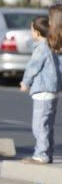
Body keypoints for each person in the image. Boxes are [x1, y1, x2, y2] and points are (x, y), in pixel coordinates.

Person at [20, 10, 62, 164]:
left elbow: (33, 66)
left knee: (39, 125)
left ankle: (41, 154)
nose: (31, 33)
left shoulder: (41, 48)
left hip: (42, 91)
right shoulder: (52, 46)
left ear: (37, 33)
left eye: (31, 30)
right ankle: (48, 153)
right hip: (52, 91)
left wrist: (26, 82)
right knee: (47, 125)